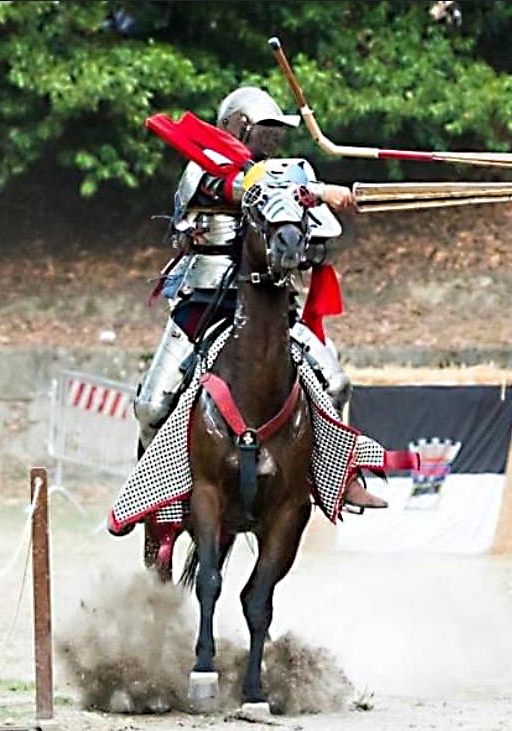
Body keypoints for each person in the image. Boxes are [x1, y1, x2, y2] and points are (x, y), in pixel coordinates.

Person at [134, 86, 382, 508]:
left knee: (336, 384)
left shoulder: (293, 173)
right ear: (237, 127)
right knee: (152, 405)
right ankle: (164, 491)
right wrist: (318, 192)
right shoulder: (204, 168)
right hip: (204, 302)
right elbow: (243, 186)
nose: (272, 141)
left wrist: (312, 225)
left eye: (276, 132)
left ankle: (337, 478)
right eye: (265, 130)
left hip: (271, 304)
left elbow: (327, 242)